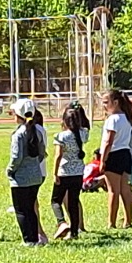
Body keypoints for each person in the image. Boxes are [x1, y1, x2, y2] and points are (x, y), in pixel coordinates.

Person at [7, 98, 48, 245]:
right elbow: (42, 152)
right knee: (31, 208)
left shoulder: (18, 134)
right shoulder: (38, 131)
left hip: (21, 178)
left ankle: (28, 240)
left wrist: (10, 169)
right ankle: (35, 238)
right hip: (36, 175)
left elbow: (16, 157)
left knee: (21, 210)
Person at [100, 89, 132, 229]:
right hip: (126, 154)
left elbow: (108, 142)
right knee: (125, 190)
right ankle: (128, 221)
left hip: (113, 155)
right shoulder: (127, 118)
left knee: (113, 191)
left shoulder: (113, 119)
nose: (104, 105)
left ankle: (111, 223)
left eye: (106, 102)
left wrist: (102, 160)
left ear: (116, 102)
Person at [50, 101, 89, 240]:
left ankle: (61, 222)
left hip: (64, 172)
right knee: (73, 202)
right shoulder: (83, 134)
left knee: (55, 201)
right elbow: (83, 129)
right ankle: (74, 232)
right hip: (78, 172)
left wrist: (55, 173)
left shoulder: (61, 136)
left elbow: (58, 155)